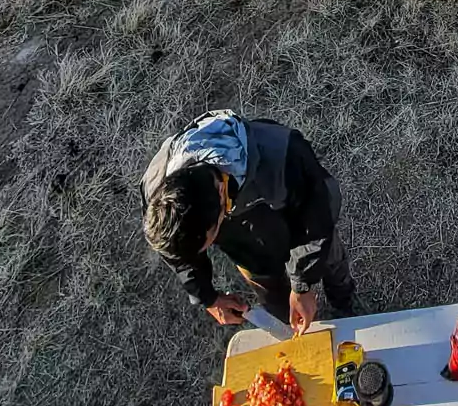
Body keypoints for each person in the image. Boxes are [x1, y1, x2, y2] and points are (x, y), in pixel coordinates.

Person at [142, 110, 356, 332]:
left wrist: (303, 284)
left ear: (221, 191)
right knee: (277, 305)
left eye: (212, 237)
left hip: (303, 231)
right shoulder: (158, 192)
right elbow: (176, 252)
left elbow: (316, 218)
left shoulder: (282, 154)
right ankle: (293, 327)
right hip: (249, 253)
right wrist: (207, 297)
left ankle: (345, 308)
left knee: (332, 264)